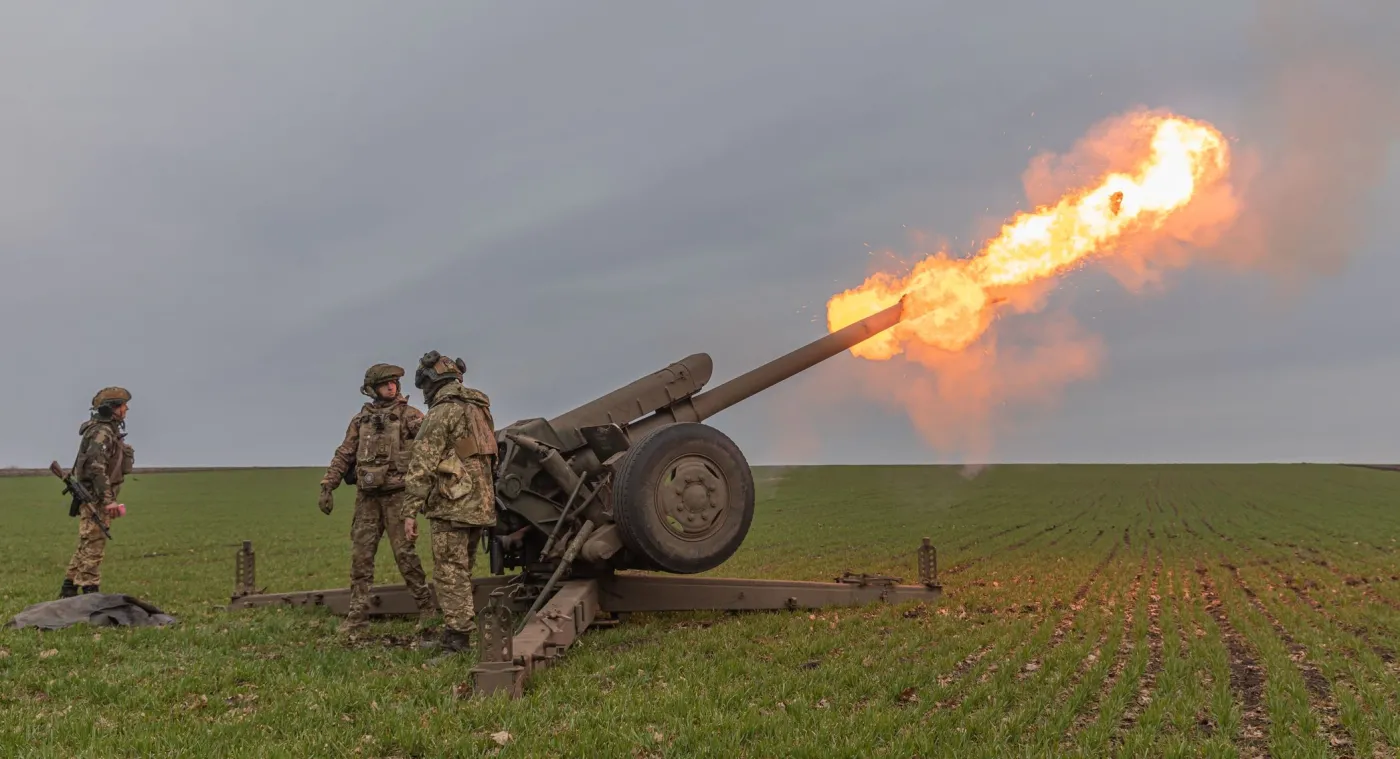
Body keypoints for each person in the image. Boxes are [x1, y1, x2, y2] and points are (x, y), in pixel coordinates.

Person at [319, 363, 435, 635]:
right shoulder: (361, 421)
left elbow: (431, 444)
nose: (392, 387)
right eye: (386, 384)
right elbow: (345, 453)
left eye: (394, 382)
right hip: (367, 499)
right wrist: (328, 485)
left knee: (405, 556)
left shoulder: (409, 416)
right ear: (372, 389)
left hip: (398, 497)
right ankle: (356, 617)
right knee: (361, 559)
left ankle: (427, 610)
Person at [401, 351, 498, 653]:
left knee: (449, 574)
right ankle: (460, 630)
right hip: (480, 504)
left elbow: (422, 463)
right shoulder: (479, 408)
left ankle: (457, 642)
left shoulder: (443, 411)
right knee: (462, 570)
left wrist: (409, 511)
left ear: (430, 383)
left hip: (452, 504)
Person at [60, 387, 134, 598]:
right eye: (122, 405)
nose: (126, 409)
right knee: (94, 544)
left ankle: (69, 588)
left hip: (97, 496)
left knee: (87, 542)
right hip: (96, 498)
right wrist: (108, 500)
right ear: (111, 409)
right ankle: (90, 592)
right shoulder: (102, 433)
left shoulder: (107, 431)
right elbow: (96, 467)